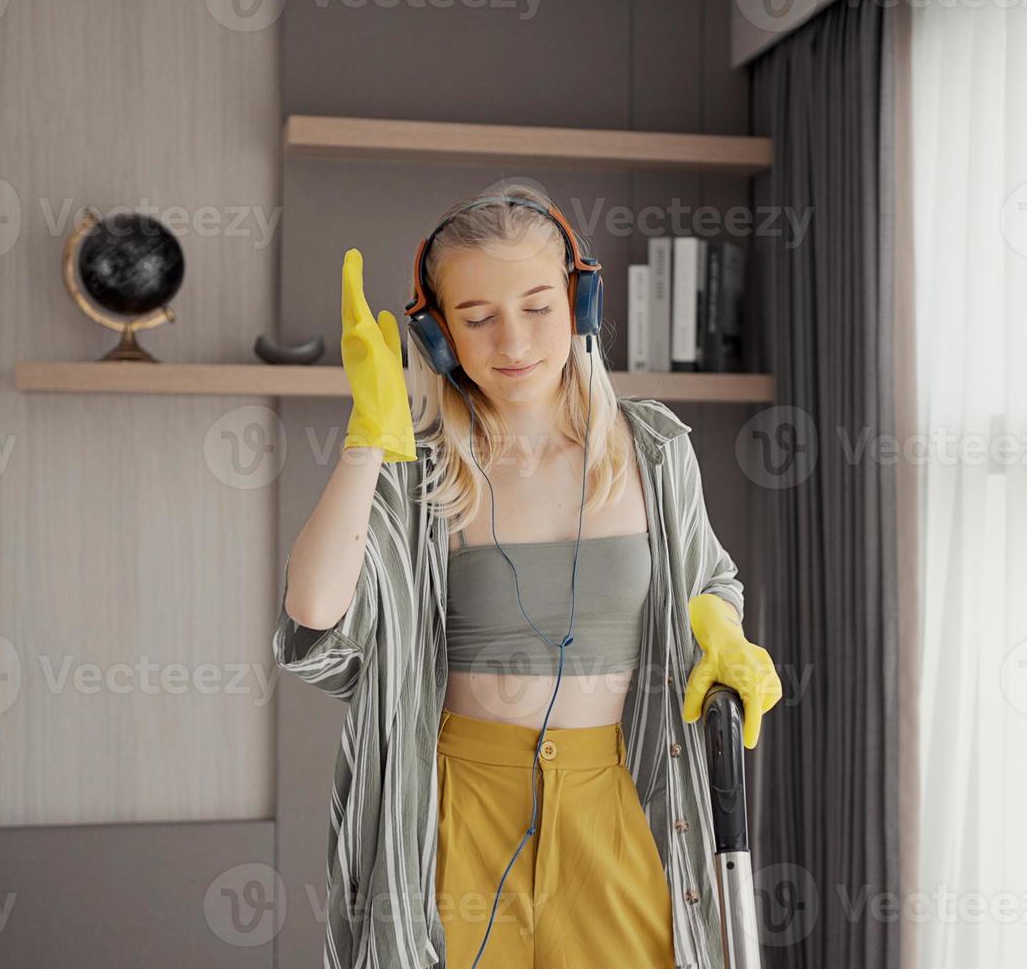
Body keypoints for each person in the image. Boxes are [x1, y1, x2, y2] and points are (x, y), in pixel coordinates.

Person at [275, 183, 783, 969]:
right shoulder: (420, 472)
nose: (512, 340)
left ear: (580, 304)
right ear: (440, 335)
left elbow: (707, 576)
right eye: (477, 318)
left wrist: (721, 626)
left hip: (607, 807)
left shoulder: (651, 449)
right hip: (459, 810)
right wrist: (367, 439)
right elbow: (314, 616)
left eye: (538, 306)